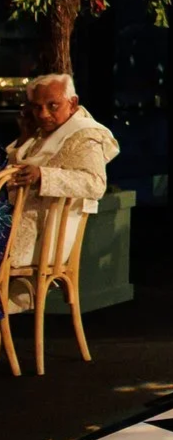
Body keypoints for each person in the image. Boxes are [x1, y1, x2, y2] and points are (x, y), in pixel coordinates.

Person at [3, 75, 119, 315]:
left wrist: (44, 176)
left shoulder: (84, 135)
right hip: (16, 223)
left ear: (73, 103)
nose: (43, 114)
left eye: (52, 106)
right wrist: (25, 134)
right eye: (37, 107)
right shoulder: (39, 133)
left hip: (42, 233)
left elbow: (95, 183)